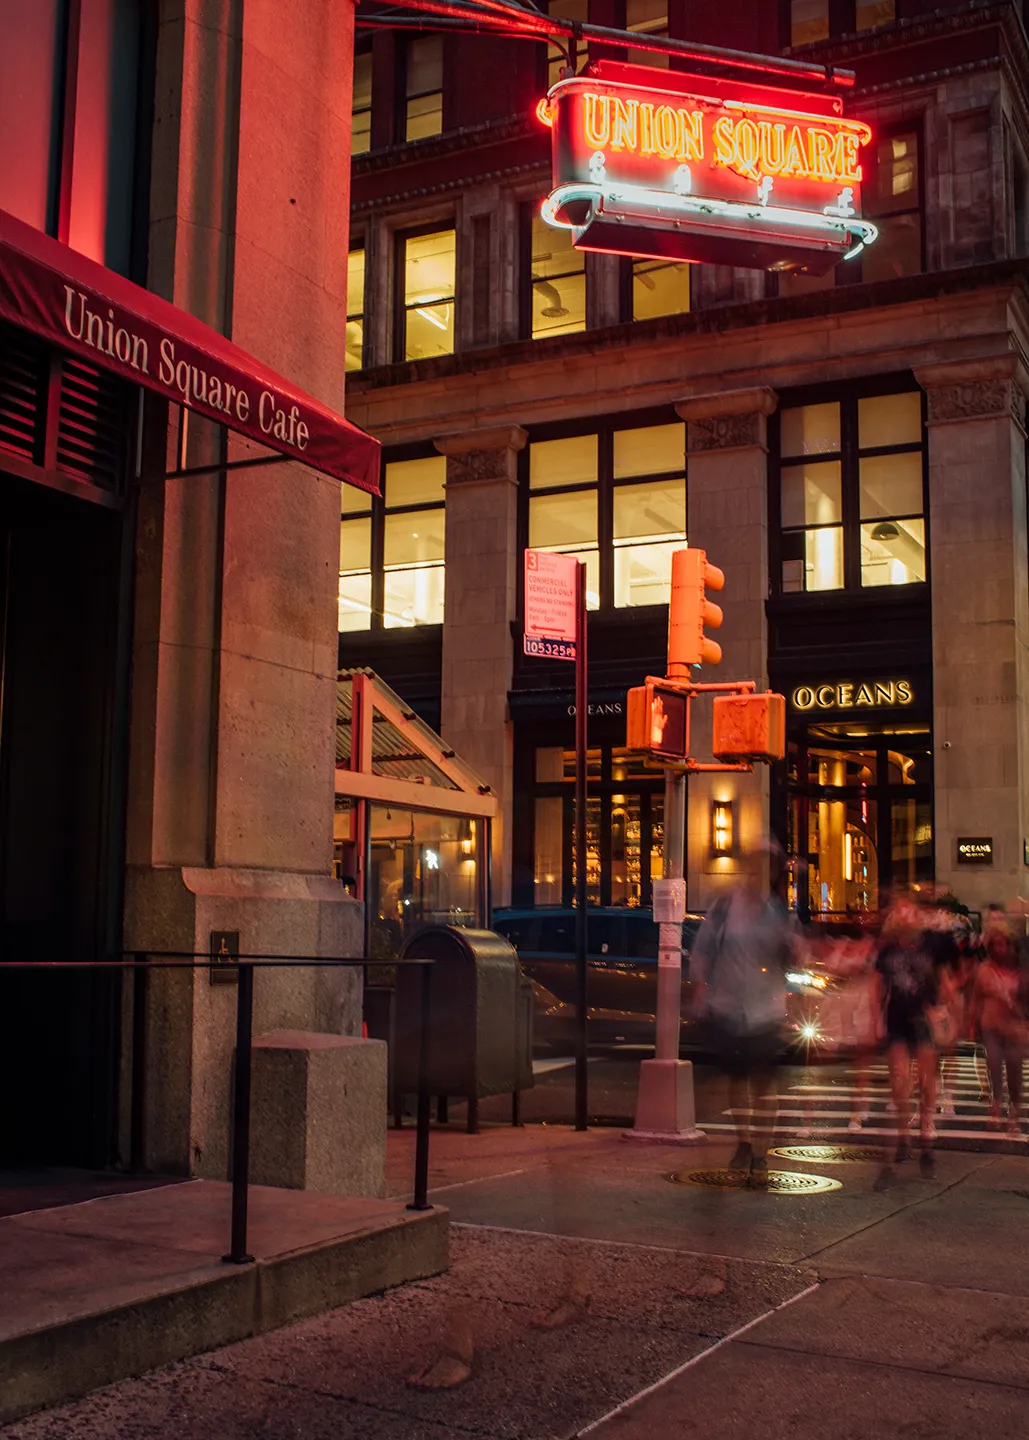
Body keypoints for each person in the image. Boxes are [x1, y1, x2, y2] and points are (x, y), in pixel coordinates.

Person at [690, 841, 799, 1189]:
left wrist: (795, 953)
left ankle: (761, 1157)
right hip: (728, 1007)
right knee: (737, 1081)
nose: (759, 874)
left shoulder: (779, 912)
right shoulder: (725, 907)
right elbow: (703, 949)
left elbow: (794, 957)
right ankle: (744, 1141)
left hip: (765, 1009)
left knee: (764, 1084)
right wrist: (700, 991)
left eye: (766, 868)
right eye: (755, 866)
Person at [875, 896, 939, 1179]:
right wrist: (876, 1018)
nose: (906, 918)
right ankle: (904, 1135)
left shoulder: (931, 947)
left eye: (910, 913)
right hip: (897, 1019)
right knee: (899, 1080)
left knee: (926, 1080)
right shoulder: (887, 952)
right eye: (901, 914)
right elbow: (877, 986)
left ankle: (926, 1124)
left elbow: (944, 980)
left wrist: (945, 1012)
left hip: (923, 1018)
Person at [972, 916, 1028, 1133]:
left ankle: (1014, 1113)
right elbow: (976, 998)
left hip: (1014, 1027)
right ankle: (996, 1106)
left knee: (1014, 1071)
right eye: (993, 944)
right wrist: (972, 1022)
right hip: (991, 1025)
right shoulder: (985, 969)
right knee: (994, 1064)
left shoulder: (1022, 970)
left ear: (1010, 944)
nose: (998, 949)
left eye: (1002, 943)